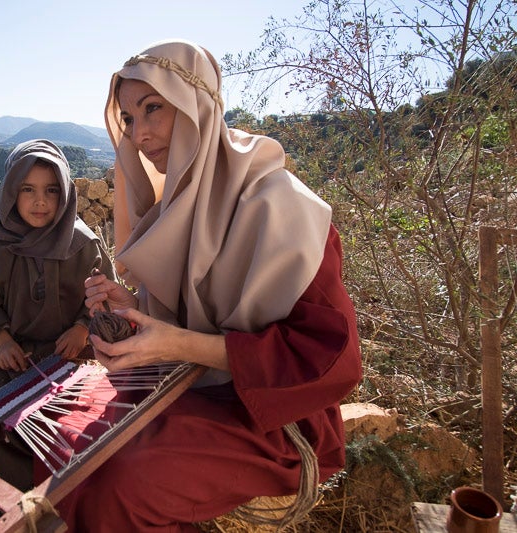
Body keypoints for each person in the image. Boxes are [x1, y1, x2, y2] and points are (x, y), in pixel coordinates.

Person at [52, 39, 364, 532]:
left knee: (120, 483)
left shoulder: (281, 208)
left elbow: (330, 358)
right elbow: (198, 318)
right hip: (191, 388)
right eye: (128, 118)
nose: (139, 133)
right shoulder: (174, 206)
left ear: (196, 105)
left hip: (272, 415)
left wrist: (176, 343)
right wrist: (135, 307)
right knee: (68, 441)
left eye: (153, 108)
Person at [0, 139, 116, 531]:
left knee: (78, 429)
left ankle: (62, 507)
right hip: (16, 359)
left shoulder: (83, 245)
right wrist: (3, 341)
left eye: (51, 190)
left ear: (65, 193)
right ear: (12, 192)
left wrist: (82, 329)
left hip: (71, 358)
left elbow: (105, 303)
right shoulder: (4, 246)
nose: (40, 202)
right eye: (28, 190)